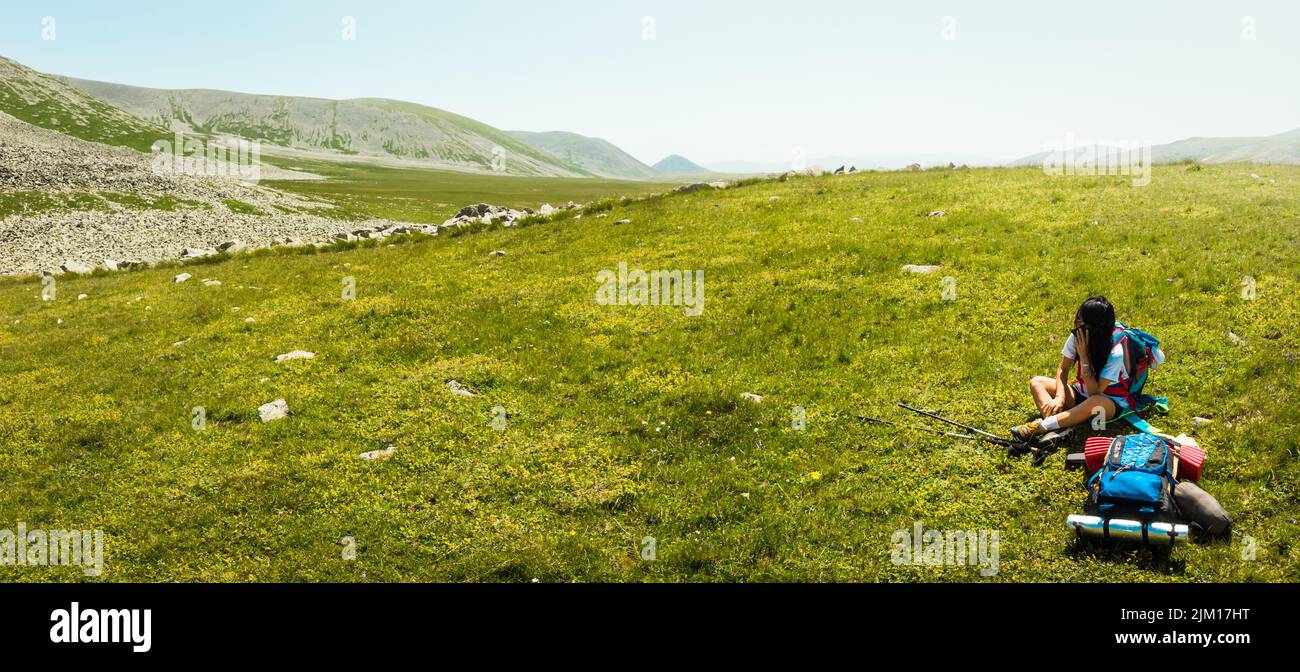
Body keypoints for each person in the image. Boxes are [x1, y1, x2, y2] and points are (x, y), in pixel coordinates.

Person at [1012, 296, 1165, 441]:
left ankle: (1042, 426)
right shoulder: (1078, 335)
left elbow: (1094, 393)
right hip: (1082, 392)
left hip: (1108, 402)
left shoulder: (1115, 351)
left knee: (1094, 401)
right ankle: (1058, 428)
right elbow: (1063, 369)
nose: (1076, 323)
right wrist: (1059, 397)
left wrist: (1084, 358)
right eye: (1077, 318)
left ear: (1096, 327)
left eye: (1082, 321)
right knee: (1037, 382)